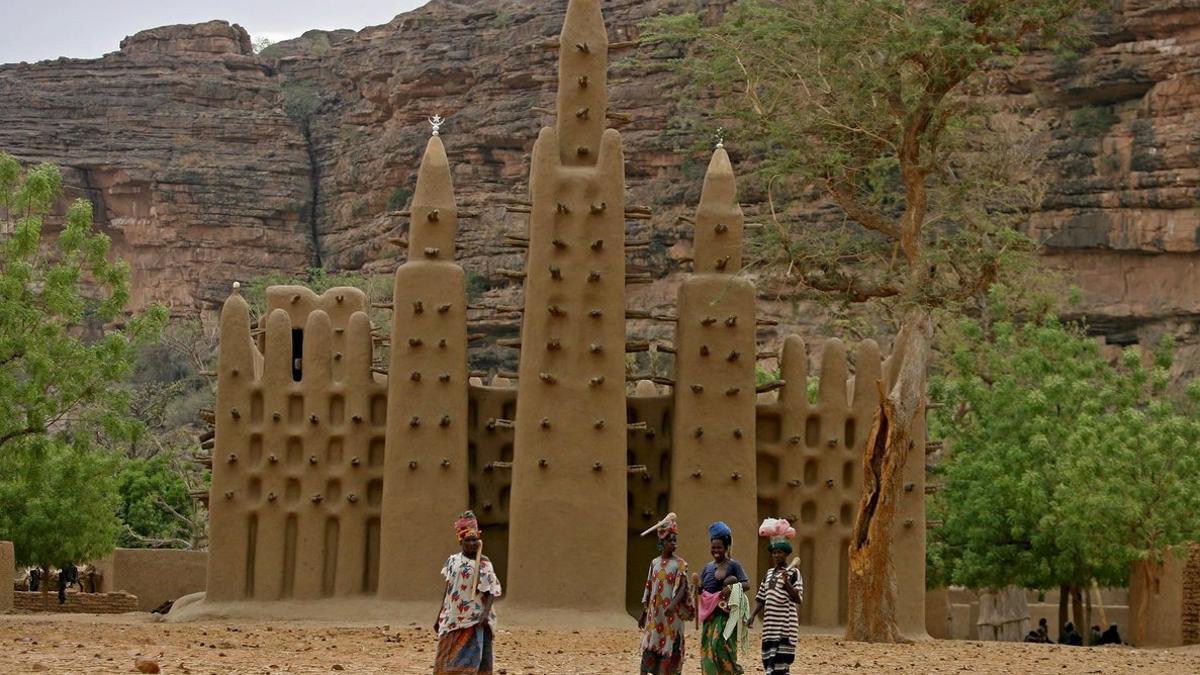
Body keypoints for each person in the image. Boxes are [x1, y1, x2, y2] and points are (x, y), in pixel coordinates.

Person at [433, 511, 502, 675]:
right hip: (451, 617)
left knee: (472, 659)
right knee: (445, 657)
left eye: (475, 539)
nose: (472, 543)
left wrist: (485, 615)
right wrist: (439, 616)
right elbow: (449, 589)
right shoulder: (453, 561)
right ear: (460, 541)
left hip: (474, 618)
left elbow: (491, 590)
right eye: (468, 540)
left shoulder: (484, 563)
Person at [748, 518, 803, 674]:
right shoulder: (769, 573)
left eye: (779, 552)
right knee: (769, 663)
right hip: (770, 627)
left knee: (781, 665)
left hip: (785, 628)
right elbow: (761, 598)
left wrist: (786, 583)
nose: (776, 555)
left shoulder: (794, 573)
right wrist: (752, 615)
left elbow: (797, 599)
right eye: (774, 552)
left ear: (786, 553)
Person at [638, 514, 692, 675]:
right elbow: (649, 587)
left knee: (670, 645)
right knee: (651, 643)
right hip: (655, 616)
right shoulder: (654, 563)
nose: (673, 543)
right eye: (670, 540)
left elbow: (683, 587)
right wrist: (644, 612)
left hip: (671, 616)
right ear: (662, 542)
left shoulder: (680, 564)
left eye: (675, 540)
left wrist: (673, 605)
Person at [699, 521, 750, 675]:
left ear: (726, 547)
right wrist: (697, 588)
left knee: (720, 646)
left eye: (719, 547)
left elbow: (746, 584)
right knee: (708, 649)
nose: (716, 551)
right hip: (710, 616)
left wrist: (730, 588)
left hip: (725, 615)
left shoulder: (734, 565)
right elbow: (703, 588)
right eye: (713, 547)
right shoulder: (707, 567)